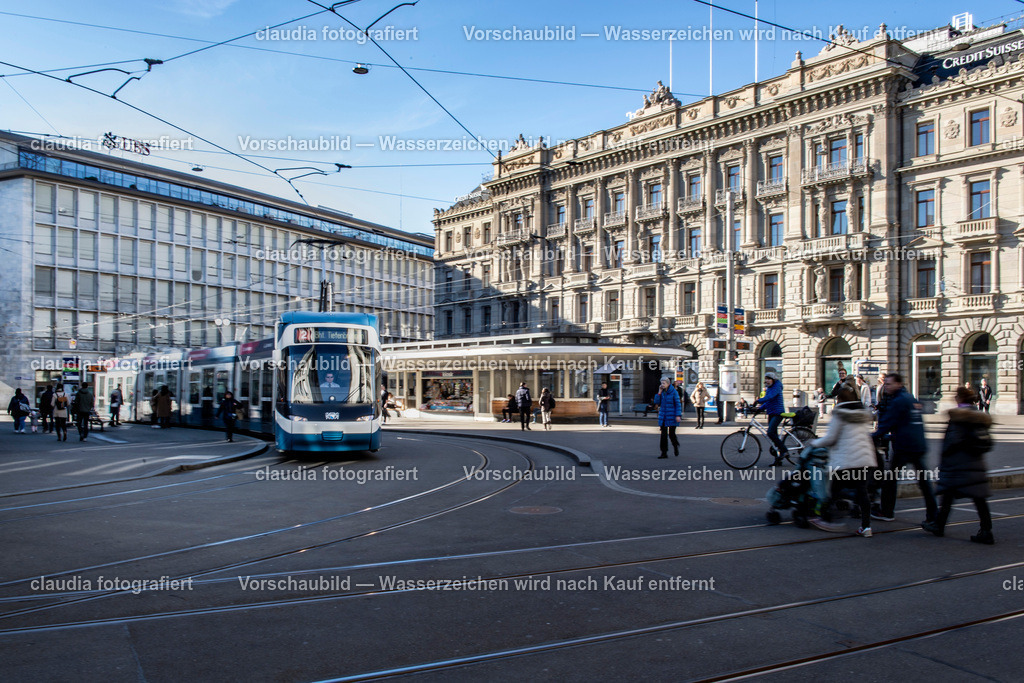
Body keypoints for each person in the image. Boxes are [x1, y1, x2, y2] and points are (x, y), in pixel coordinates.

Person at [922, 387, 995, 544]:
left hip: (957, 465)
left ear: (959, 399)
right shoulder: (979, 418)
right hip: (975, 464)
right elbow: (987, 443)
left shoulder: (958, 418)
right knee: (978, 498)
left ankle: (939, 526)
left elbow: (951, 442)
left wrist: (944, 458)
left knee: (948, 495)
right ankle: (986, 530)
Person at [807, 385, 877, 537]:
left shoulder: (839, 414)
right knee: (862, 492)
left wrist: (814, 443)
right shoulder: (862, 413)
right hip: (866, 459)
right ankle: (866, 527)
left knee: (833, 490)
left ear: (839, 399)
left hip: (848, 460)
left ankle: (827, 519)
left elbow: (831, 438)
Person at [873, 372, 937, 524]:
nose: (886, 386)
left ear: (898, 384)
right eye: (886, 383)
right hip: (917, 444)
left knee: (890, 479)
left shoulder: (898, 401)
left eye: (889, 384)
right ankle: (933, 515)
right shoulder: (909, 398)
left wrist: (873, 436)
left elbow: (887, 423)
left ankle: (887, 511)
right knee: (924, 482)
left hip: (904, 446)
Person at [752, 372, 786, 466]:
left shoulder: (777, 387)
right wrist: (760, 409)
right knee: (773, 437)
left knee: (770, 432)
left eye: (769, 379)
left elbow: (769, 397)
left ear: (773, 380)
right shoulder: (769, 388)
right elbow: (769, 402)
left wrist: (758, 400)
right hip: (771, 413)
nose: (767, 381)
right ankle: (778, 460)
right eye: (766, 379)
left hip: (778, 413)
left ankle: (784, 450)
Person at [652, 377, 682, 458]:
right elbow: (657, 402)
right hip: (663, 416)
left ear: (668, 384)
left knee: (672, 434)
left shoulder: (674, 392)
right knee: (663, 435)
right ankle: (664, 453)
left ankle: (675, 446)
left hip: (672, 416)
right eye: (661, 383)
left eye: (664, 383)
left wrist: (678, 415)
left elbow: (678, 404)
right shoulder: (662, 392)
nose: (662, 385)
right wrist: (659, 392)